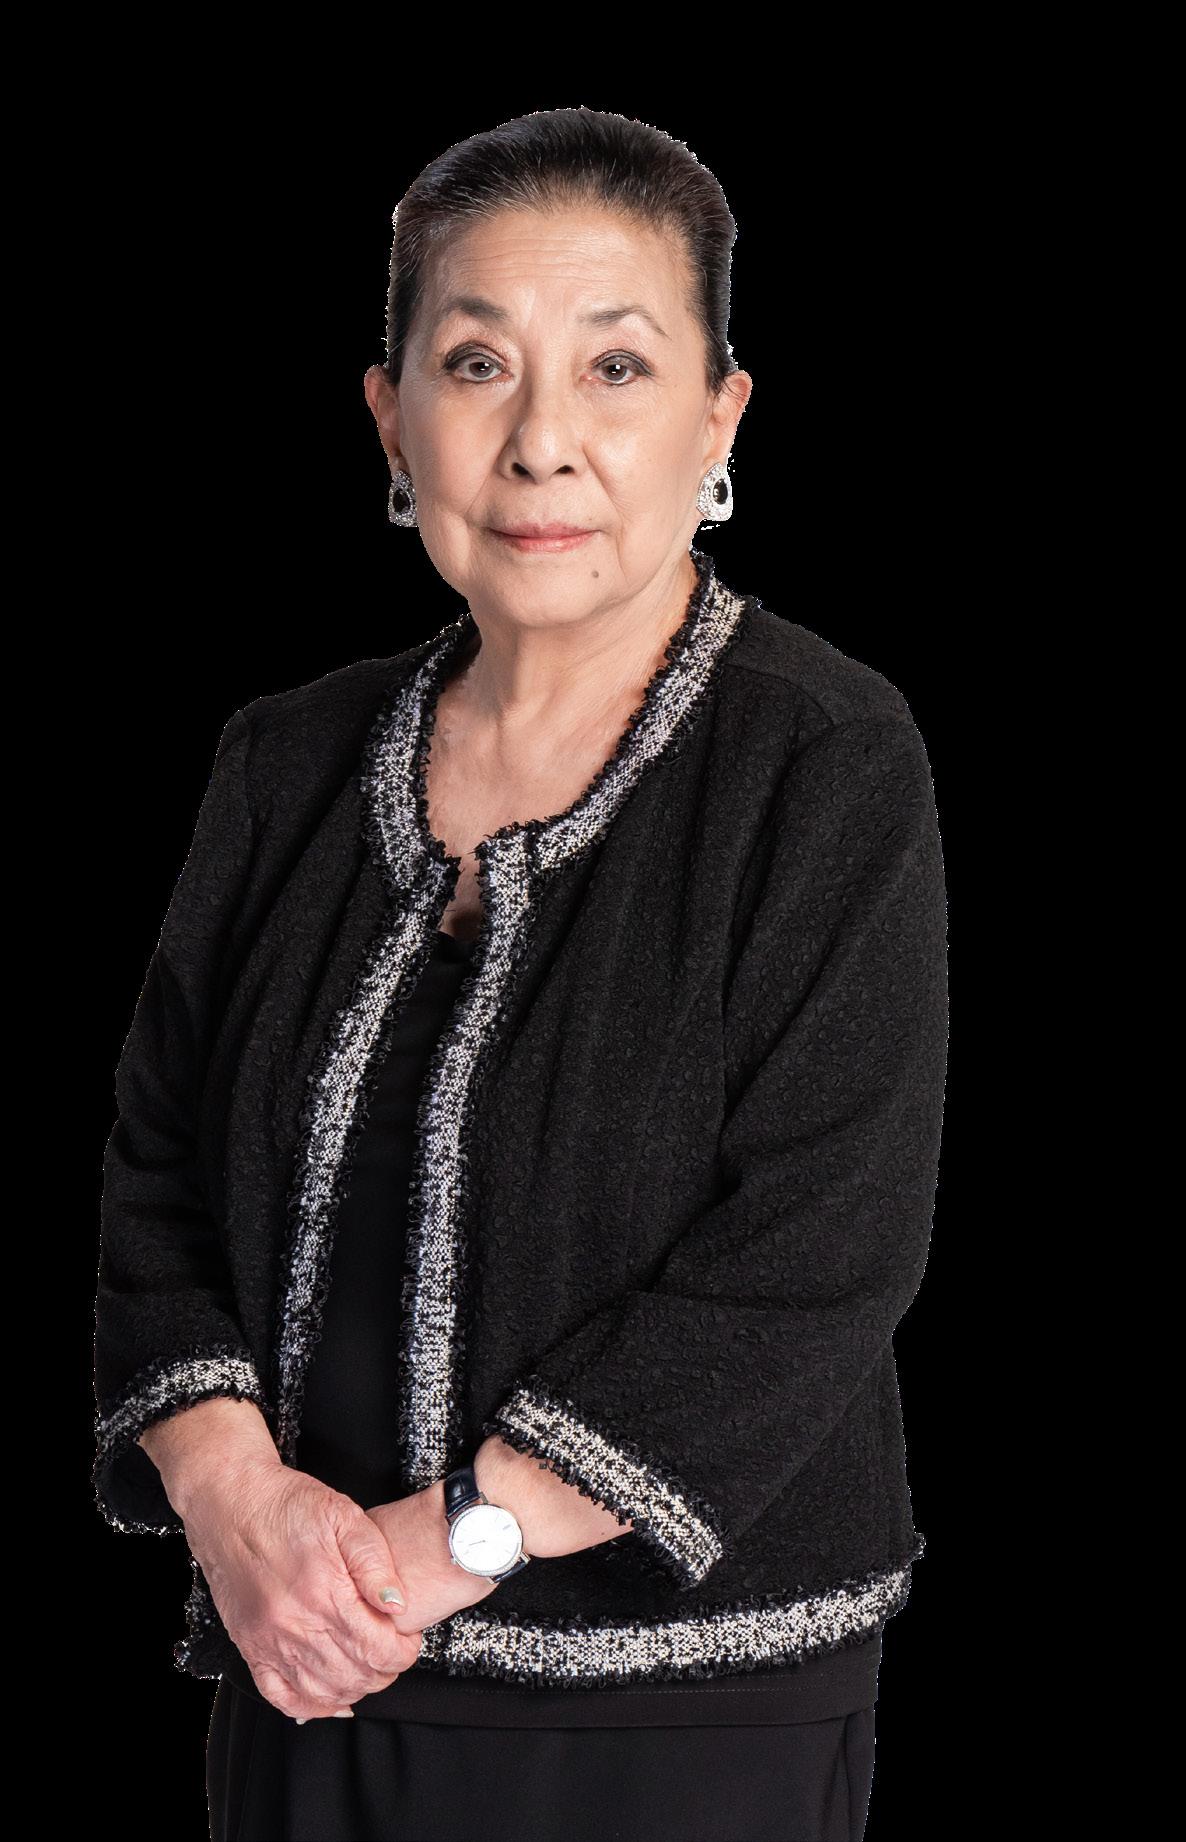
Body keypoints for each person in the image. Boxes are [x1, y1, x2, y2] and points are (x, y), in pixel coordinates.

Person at [92, 107, 949, 1842]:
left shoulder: (820, 758)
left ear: (718, 418)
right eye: (477, 363)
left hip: (680, 1719)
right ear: (389, 418)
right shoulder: (283, 759)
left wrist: (444, 1544)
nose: (542, 441)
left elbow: (816, 1255)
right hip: (307, 1664)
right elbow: (153, 1175)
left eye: (616, 368)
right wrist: (238, 1505)